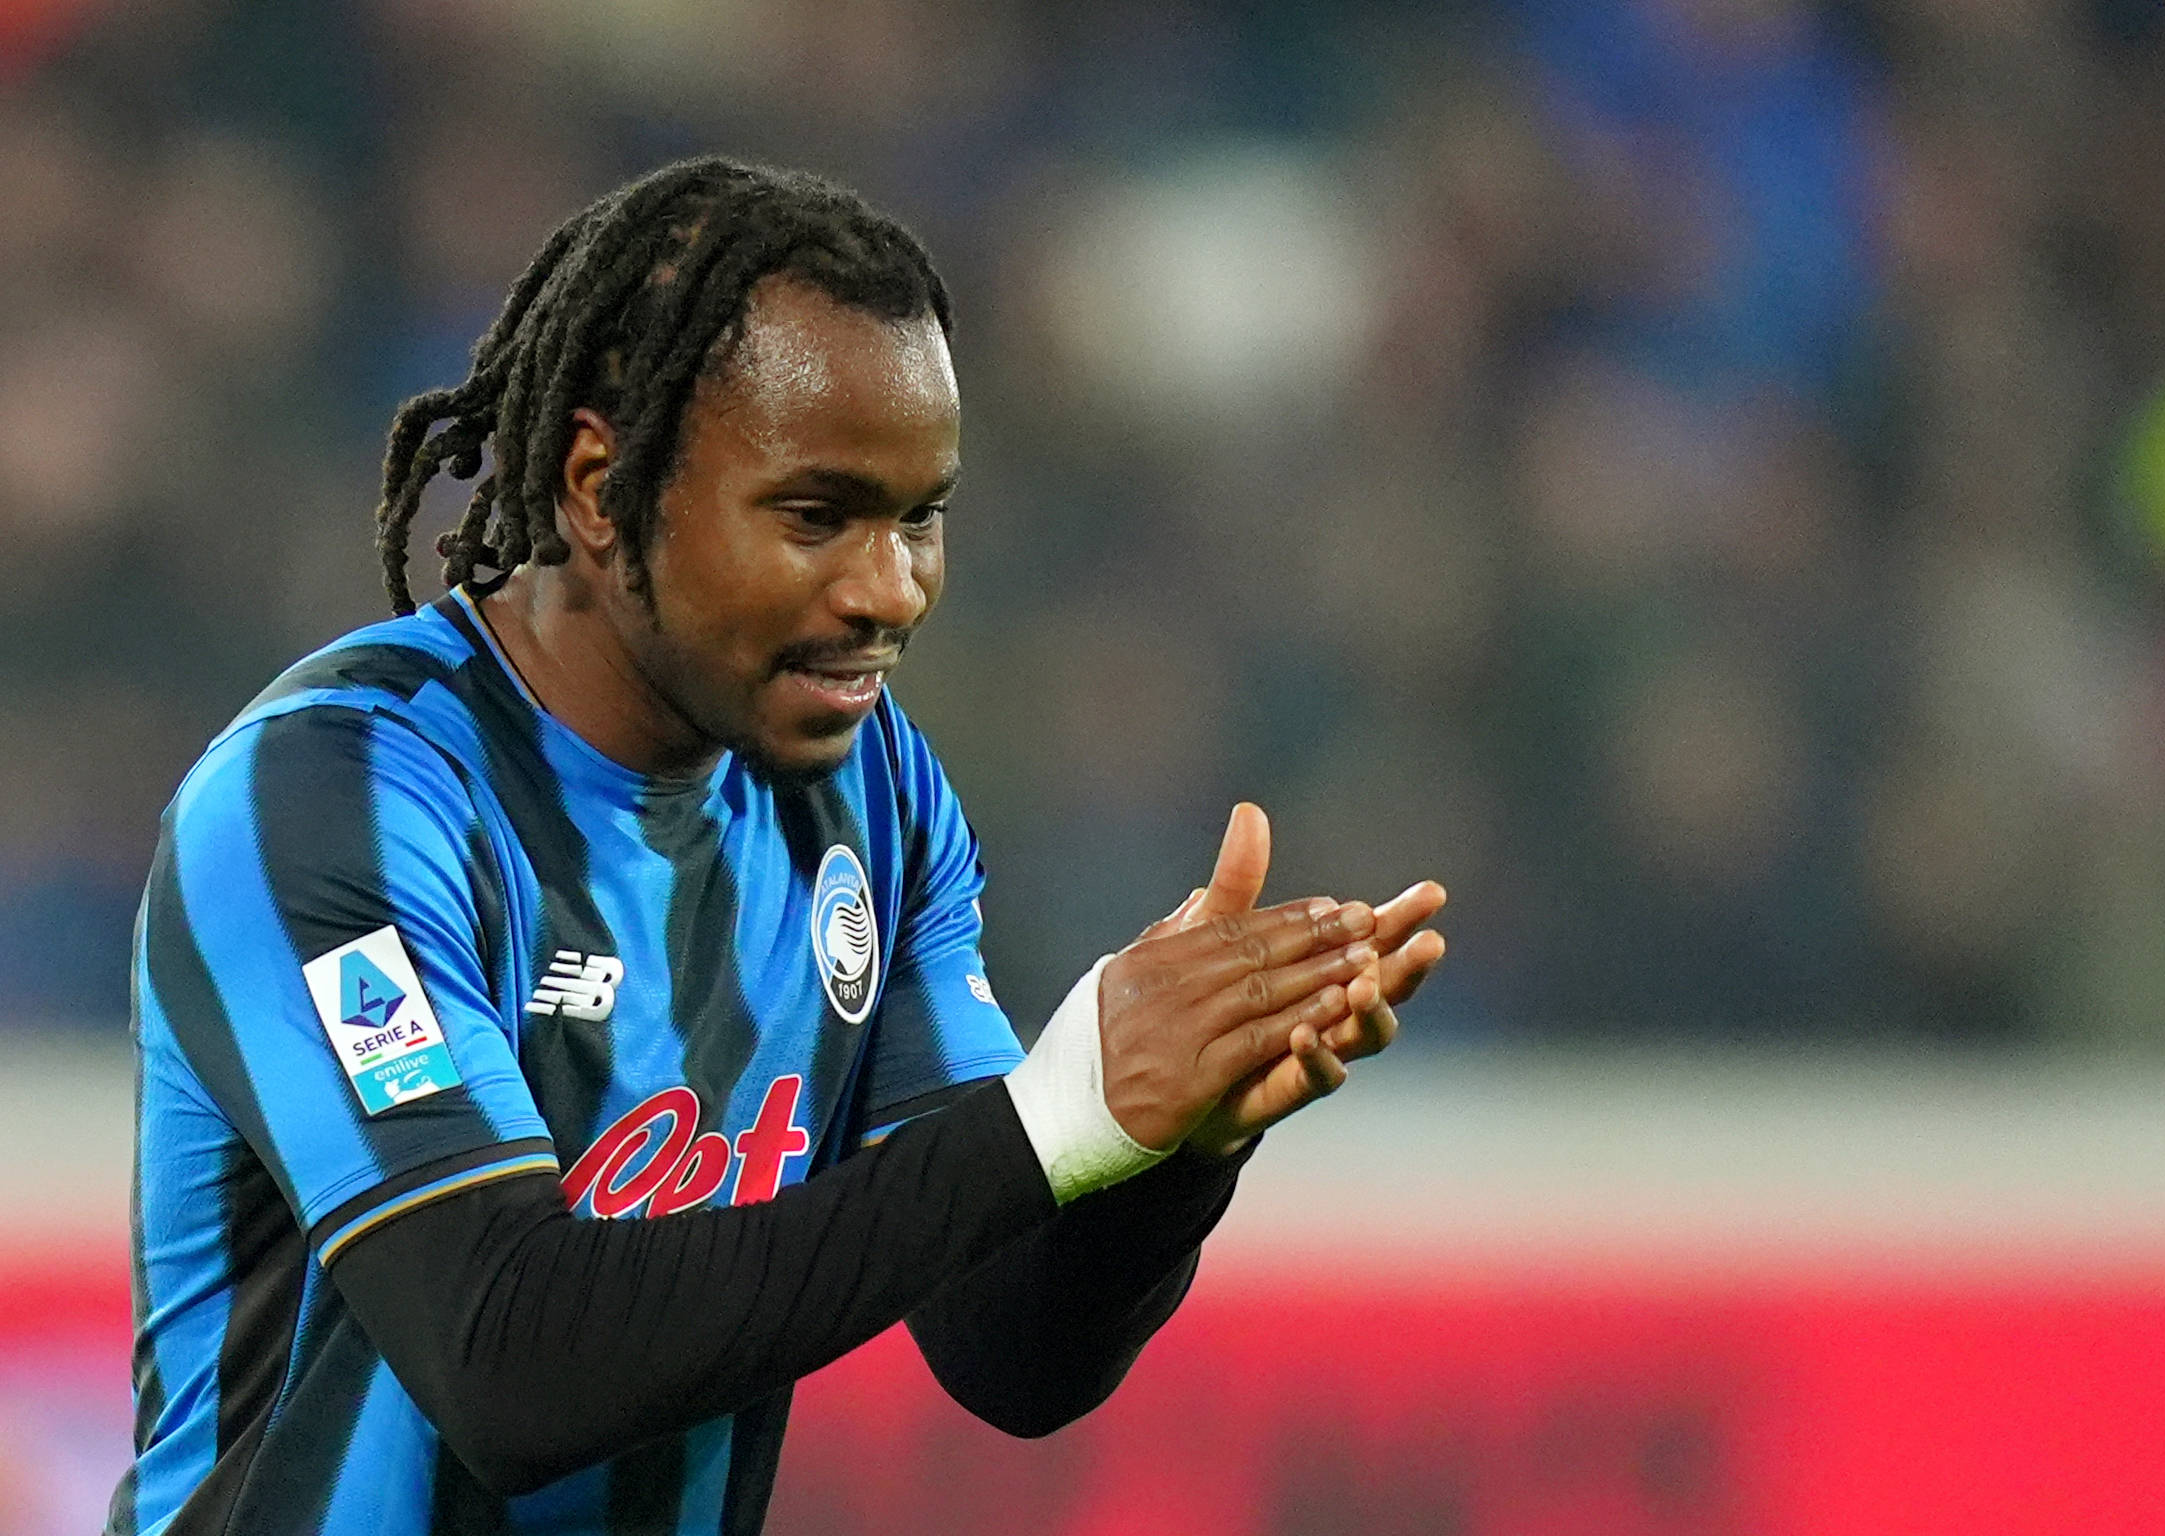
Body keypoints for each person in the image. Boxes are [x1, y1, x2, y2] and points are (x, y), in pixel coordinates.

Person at [108, 159, 1446, 1536]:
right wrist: (1062, 1116)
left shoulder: (872, 797)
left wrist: (1166, 1153)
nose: (891, 590)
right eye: (819, 517)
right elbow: (506, 1358)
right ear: (597, 484)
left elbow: (1010, 1352)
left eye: (919, 516)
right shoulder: (336, 798)